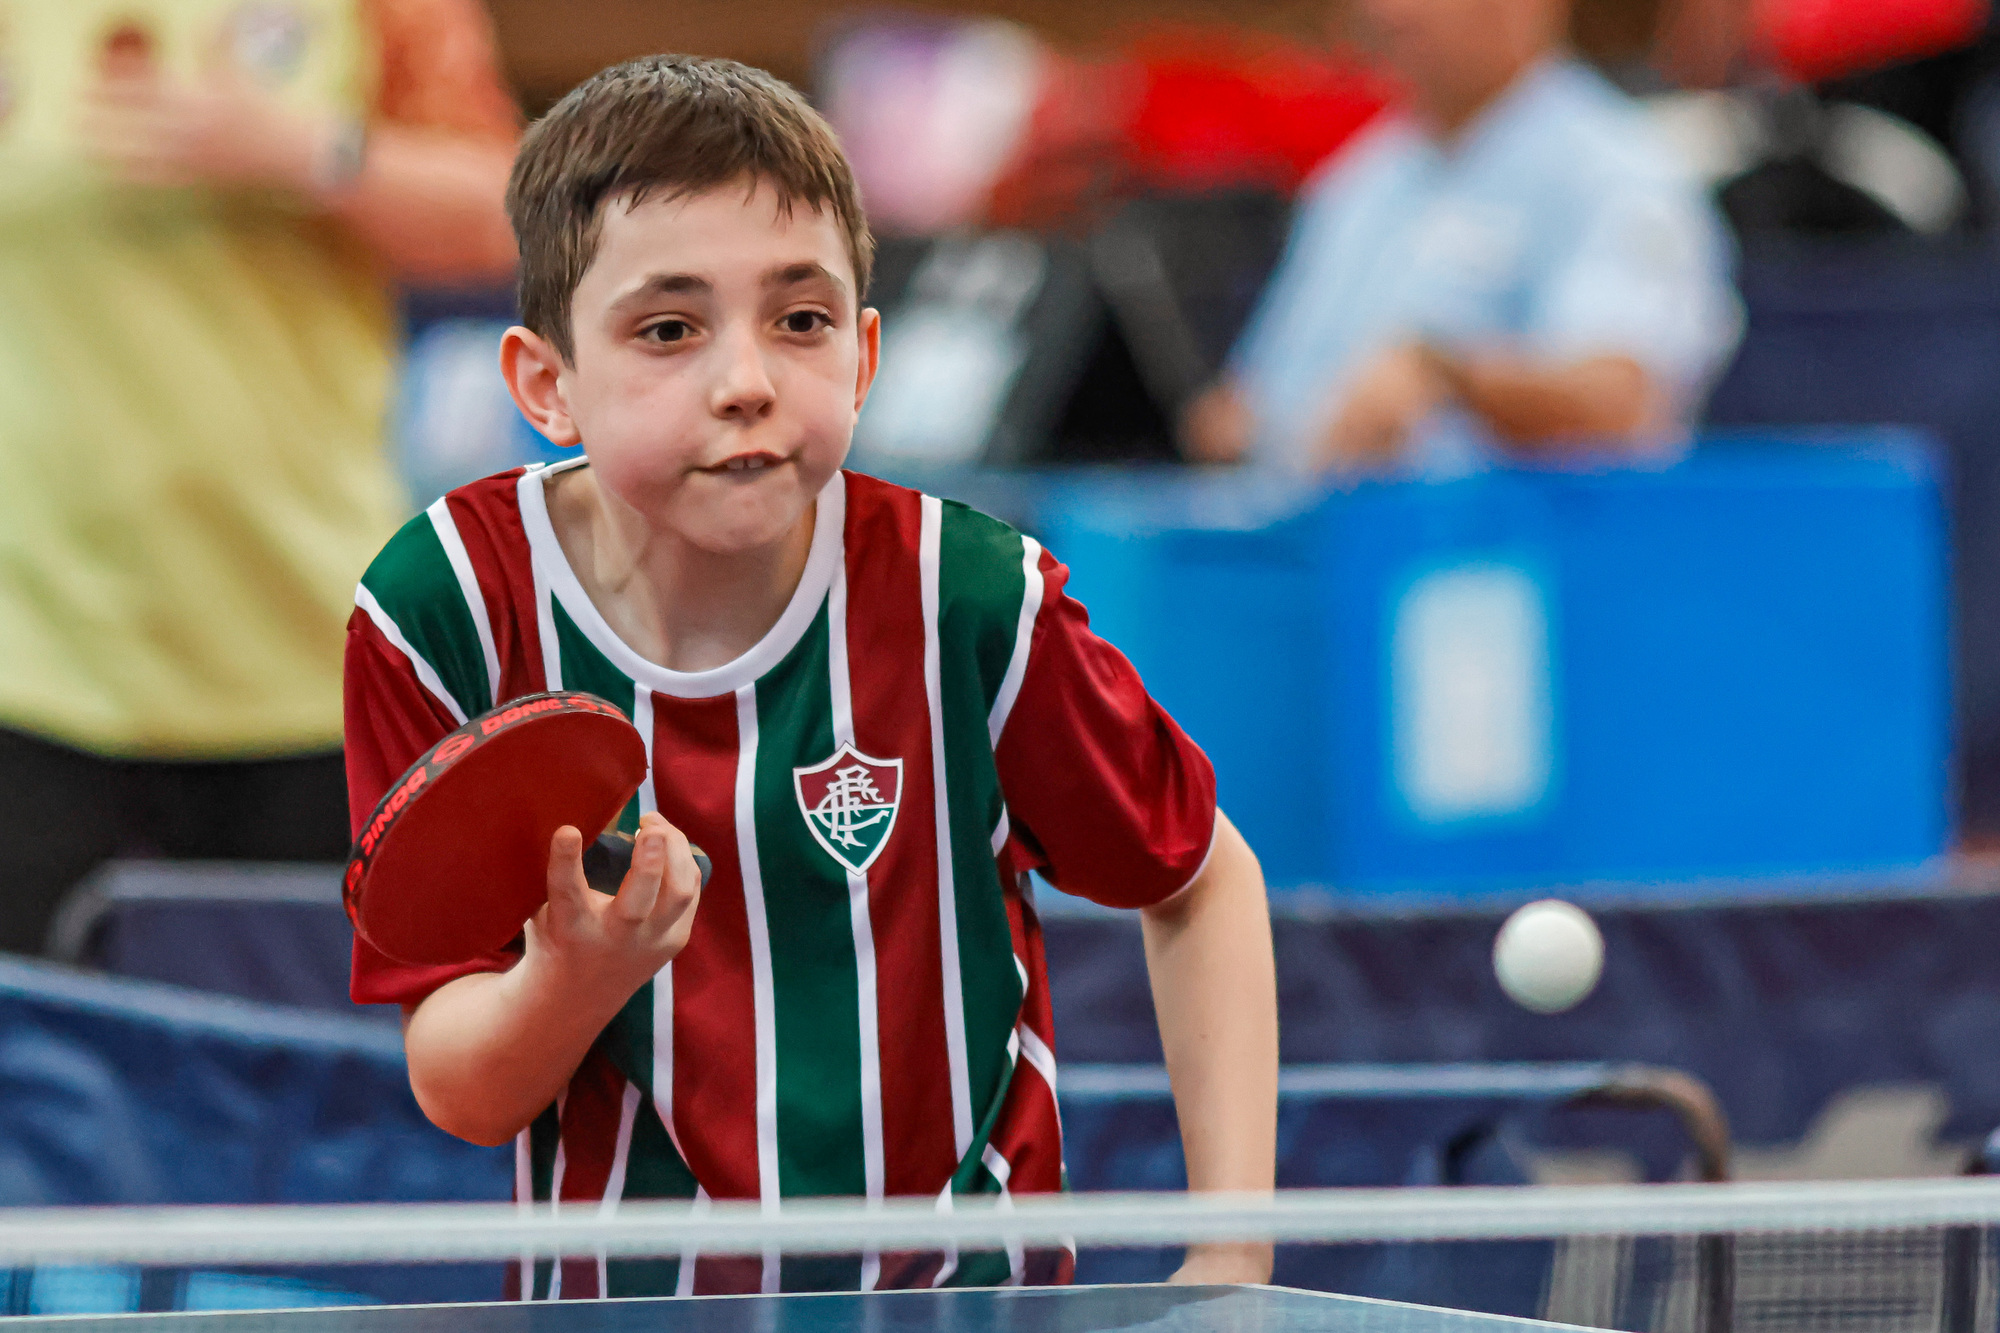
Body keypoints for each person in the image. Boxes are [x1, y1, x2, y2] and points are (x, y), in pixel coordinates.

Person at [344, 56, 1279, 1297]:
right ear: (546, 384)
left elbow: (1198, 875)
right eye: (668, 329)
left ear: (864, 355)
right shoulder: (443, 608)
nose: (746, 382)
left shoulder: (969, 597)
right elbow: (459, 1086)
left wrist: (1231, 1258)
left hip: (964, 1310)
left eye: (800, 320)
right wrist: (573, 980)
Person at [0, 0, 519, 954]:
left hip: (299, 647)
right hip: (34, 656)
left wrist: (309, 152)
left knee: (310, 1033)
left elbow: (514, 217)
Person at [1181, 0, 1743, 475]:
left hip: (1504, 556)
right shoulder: (1358, 180)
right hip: (1302, 544)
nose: (1390, 14)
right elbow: (1249, 404)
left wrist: (1446, 375)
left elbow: (1625, 410)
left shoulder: (1617, 175)